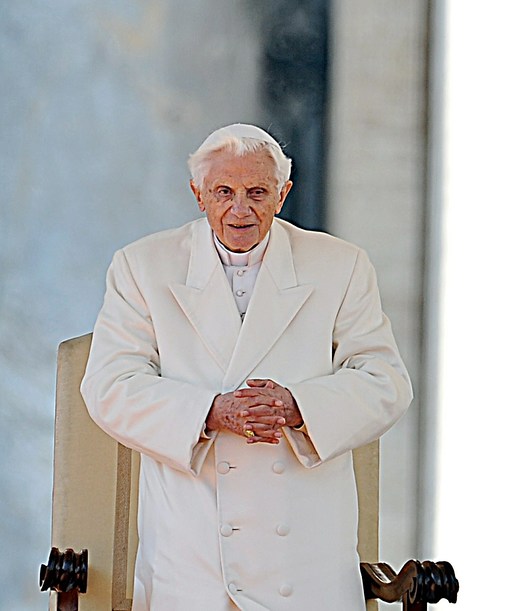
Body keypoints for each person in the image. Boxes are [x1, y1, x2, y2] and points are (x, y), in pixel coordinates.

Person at [81, 123, 412, 610]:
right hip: (189, 554)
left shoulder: (341, 265)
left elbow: (386, 382)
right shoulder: (142, 266)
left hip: (306, 561)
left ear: (284, 194)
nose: (241, 209)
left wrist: (297, 406)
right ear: (198, 194)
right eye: (224, 192)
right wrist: (211, 413)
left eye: (258, 192)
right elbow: (108, 387)